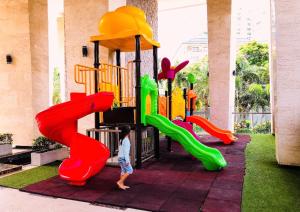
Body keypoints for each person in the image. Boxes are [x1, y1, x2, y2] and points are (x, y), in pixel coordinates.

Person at [117, 125, 133, 190]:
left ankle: (121, 185)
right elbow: (126, 152)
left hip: (120, 157)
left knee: (123, 171)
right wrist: (127, 161)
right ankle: (119, 182)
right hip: (123, 158)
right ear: (128, 132)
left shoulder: (121, 139)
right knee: (130, 170)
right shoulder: (126, 140)